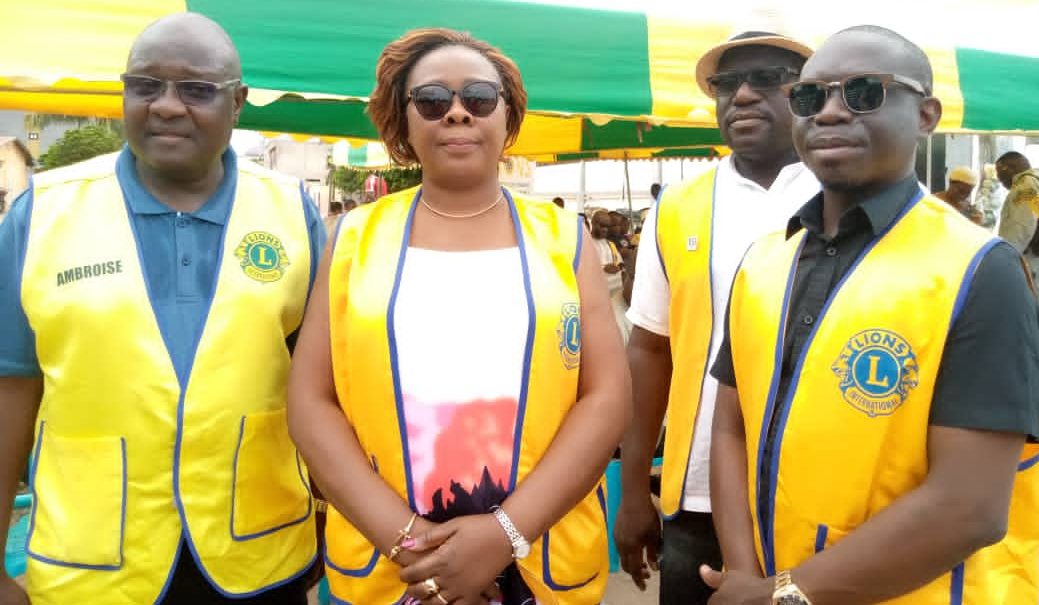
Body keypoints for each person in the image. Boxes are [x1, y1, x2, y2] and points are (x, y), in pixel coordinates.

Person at [286, 28, 630, 605]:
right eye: (431, 101)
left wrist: (505, 533)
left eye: (478, 98)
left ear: (507, 115)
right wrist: (410, 542)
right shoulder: (351, 239)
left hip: (540, 558)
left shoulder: (563, 238)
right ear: (404, 120)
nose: (456, 115)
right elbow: (310, 401)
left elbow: (606, 394)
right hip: (391, 564)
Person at [0, 13, 326, 605]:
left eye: (197, 90)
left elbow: (323, 390)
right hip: (90, 566)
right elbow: (9, 391)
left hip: (258, 556)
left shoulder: (293, 215)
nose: (167, 106)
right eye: (146, 85)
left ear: (239, 103)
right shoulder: (41, 216)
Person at [706, 25, 1039, 604]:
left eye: (864, 92)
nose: (830, 112)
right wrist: (743, 576)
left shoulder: (980, 270)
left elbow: (970, 507)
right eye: (810, 97)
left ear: (927, 115)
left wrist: (783, 595)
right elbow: (732, 428)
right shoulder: (763, 264)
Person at [615, 31, 818, 605]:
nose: (743, 95)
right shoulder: (677, 206)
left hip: (821, 493)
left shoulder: (846, 192)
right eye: (727, 84)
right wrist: (634, 490)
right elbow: (650, 350)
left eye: (767, 79)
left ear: (807, 94)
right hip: (698, 496)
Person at [592, 209, 632, 343]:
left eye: (607, 226)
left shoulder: (610, 244)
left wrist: (619, 267)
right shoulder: (586, 244)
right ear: (593, 223)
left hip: (615, 296)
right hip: (597, 297)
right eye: (601, 225)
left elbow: (620, 263)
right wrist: (603, 268)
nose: (604, 229)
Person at [997, 151, 1039, 253]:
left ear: (1011, 168)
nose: (998, 177)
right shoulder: (1032, 182)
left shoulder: (1024, 185)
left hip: (1024, 258)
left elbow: (1021, 225)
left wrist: (1006, 255)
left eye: (998, 171)